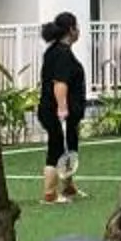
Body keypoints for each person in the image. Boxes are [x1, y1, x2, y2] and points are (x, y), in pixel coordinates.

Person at [39, 13, 87, 205]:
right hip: (56, 111)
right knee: (57, 147)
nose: (78, 31)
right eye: (76, 27)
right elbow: (60, 83)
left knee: (70, 148)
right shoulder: (62, 54)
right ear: (70, 30)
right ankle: (50, 193)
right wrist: (62, 108)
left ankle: (68, 186)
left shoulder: (56, 51)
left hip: (60, 110)